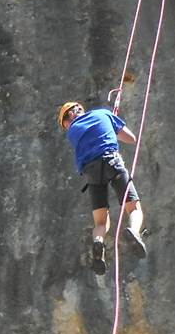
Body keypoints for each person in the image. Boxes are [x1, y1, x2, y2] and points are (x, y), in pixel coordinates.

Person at [58, 101, 148, 274]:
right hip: (112, 162)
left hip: (91, 172)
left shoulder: (72, 133)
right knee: (133, 207)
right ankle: (134, 231)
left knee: (100, 221)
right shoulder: (102, 114)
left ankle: (98, 243)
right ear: (80, 109)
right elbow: (131, 138)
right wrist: (112, 124)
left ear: (68, 121)